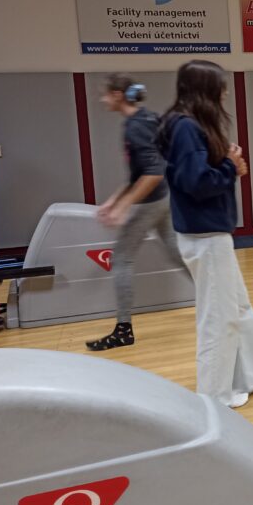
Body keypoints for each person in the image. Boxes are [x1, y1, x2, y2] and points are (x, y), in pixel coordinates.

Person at [159, 60, 253, 409]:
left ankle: (249, 377)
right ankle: (214, 398)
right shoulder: (186, 127)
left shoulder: (189, 126)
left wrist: (224, 161)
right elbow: (196, 182)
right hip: (205, 237)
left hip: (210, 234)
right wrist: (230, 166)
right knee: (218, 319)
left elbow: (196, 172)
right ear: (205, 89)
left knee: (239, 308)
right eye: (220, 86)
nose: (225, 92)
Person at [86, 74, 186, 352]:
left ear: (118, 95)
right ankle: (220, 300)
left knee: (121, 259)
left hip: (152, 201)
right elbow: (140, 173)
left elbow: (153, 174)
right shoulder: (146, 118)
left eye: (105, 94)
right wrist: (114, 200)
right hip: (162, 199)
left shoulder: (135, 127)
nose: (102, 100)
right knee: (178, 255)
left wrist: (124, 206)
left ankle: (123, 330)